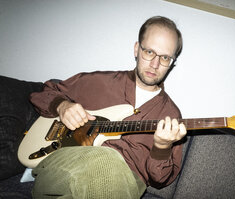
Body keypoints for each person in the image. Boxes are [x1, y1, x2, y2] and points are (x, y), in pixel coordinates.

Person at [30, 16, 187, 198]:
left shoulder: (171, 116)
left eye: (165, 57)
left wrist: (161, 146)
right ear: (137, 49)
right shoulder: (98, 82)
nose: (155, 64)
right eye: (149, 52)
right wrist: (62, 106)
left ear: (172, 63)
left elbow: (161, 179)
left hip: (127, 184)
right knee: (107, 160)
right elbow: (42, 93)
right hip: (64, 163)